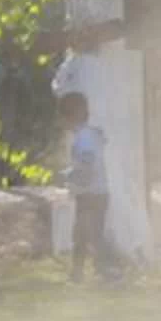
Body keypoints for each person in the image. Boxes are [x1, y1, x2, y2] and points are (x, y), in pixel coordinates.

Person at [59, 91, 121, 285]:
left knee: (86, 235)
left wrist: (69, 176)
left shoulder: (84, 137)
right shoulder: (90, 134)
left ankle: (99, 271)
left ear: (71, 116)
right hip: (96, 193)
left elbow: (87, 164)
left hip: (90, 194)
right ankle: (91, 271)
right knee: (88, 235)